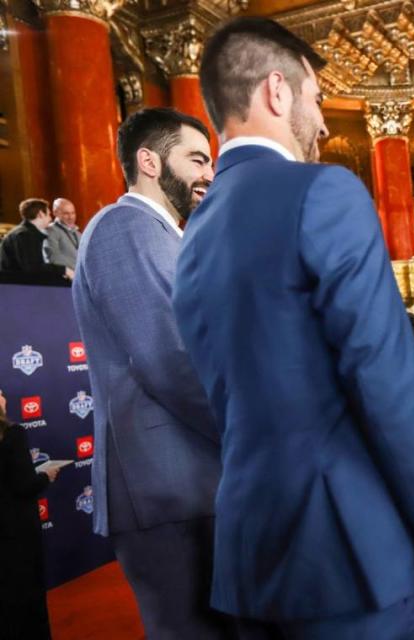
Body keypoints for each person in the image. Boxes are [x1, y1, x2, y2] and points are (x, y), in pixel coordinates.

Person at [172, 17, 414, 639]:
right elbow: (386, 380)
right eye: (314, 97)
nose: (324, 119)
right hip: (349, 548)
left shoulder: (193, 234)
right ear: (277, 92)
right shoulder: (323, 191)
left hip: (251, 551)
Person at [71, 107, 232, 639]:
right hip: (166, 488)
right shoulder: (126, 226)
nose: (209, 173)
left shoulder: (164, 235)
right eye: (196, 158)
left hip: (186, 483)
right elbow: (170, 360)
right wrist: (254, 435)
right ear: (148, 160)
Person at [0, 389, 59, 640]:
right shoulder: (13, 434)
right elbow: (24, 485)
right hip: (16, 531)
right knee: (27, 595)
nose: (4, 397)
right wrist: (46, 475)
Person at [0, 198, 73, 280]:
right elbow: (33, 269)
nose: (50, 219)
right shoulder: (25, 235)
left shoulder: (24, 233)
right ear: (40, 214)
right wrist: (63, 270)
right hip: (19, 288)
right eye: (48, 214)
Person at [46, 197, 81, 270]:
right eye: (66, 213)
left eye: (73, 213)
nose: (71, 217)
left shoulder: (78, 233)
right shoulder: (50, 230)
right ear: (55, 213)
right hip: (65, 277)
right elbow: (53, 257)